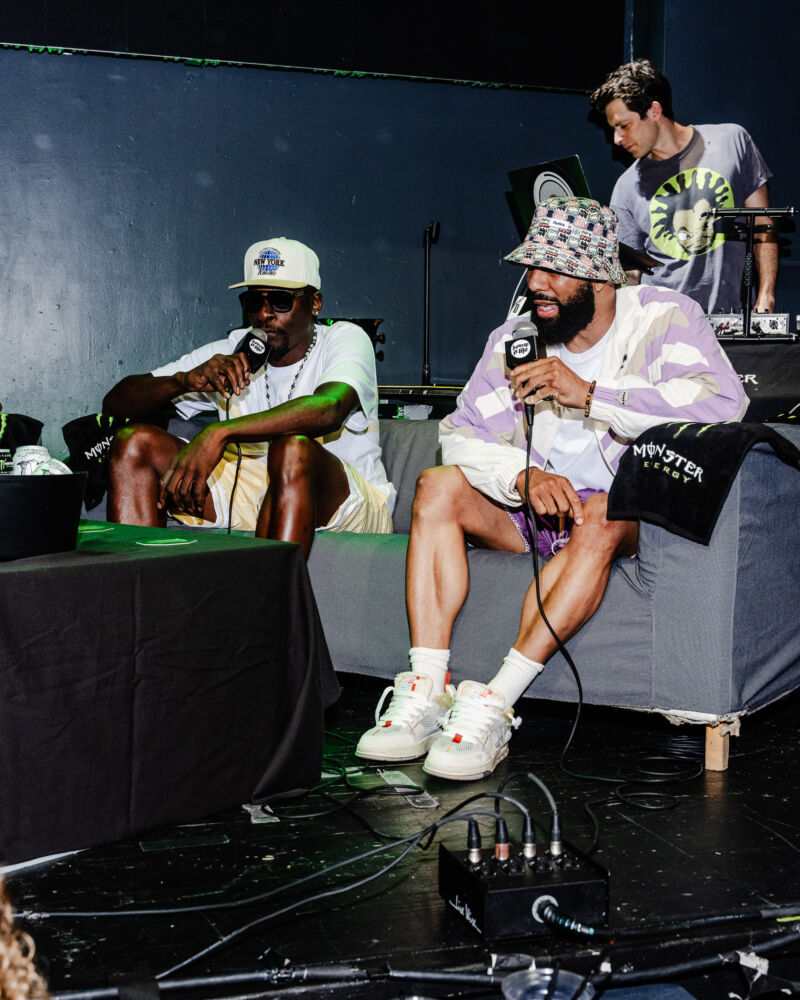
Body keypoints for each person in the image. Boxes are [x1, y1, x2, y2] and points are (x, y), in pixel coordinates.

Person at [356, 196, 748, 781]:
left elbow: (722, 405)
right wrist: (522, 477)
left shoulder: (665, 318)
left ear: (602, 277)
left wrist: (591, 396)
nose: (535, 282)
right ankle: (426, 694)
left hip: (616, 514)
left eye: (555, 270)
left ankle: (494, 704)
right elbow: (460, 433)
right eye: (532, 267)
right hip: (531, 510)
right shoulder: (516, 338)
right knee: (438, 484)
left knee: (605, 509)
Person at [104, 238, 395, 556]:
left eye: (280, 300)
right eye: (254, 301)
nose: (265, 313)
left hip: (348, 499)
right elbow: (115, 404)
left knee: (292, 448)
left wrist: (220, 432)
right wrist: (182, 381)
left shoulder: (344, 339)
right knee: (134, 442)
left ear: (315, 303)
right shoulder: (235, 349)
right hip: (256, 489)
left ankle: (274, 588)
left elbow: (329, 408)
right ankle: (136, 582)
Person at [590, 59, 777, 315]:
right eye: (613, 129)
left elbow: (763, 225)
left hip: (731, 322)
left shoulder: (732, 142)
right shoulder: (625, 187)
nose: (617, 139)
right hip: (666, 329)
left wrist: (766, 298)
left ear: (654, 111)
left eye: (624, 126)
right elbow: (630, 276)